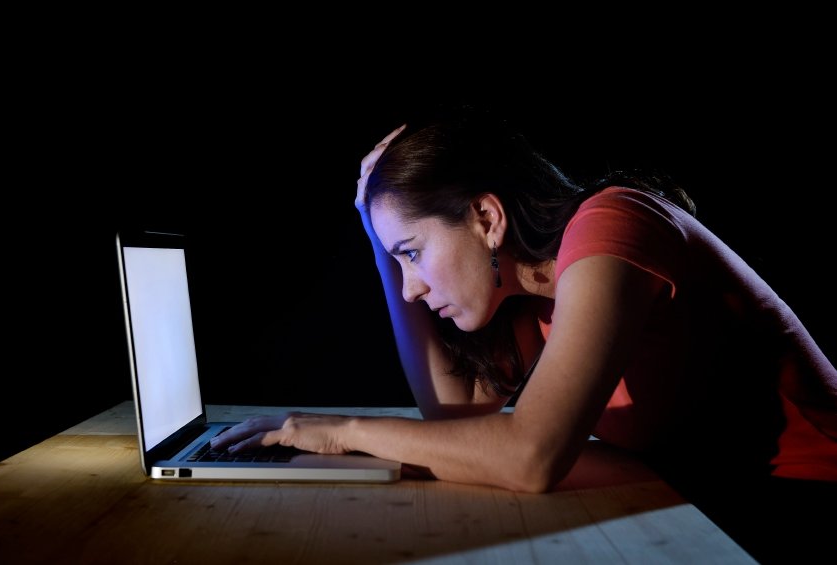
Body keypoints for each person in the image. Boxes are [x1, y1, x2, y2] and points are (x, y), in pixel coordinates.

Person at [212, 106, 836, 562]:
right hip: (716, 507)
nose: (409, 291)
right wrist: (380, 241)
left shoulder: (613, 227)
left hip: (797, 508)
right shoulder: (527, 295)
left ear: (486, 217)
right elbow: (453, 421)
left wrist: (338, 432)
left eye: (412, 253)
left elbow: (529, 456)